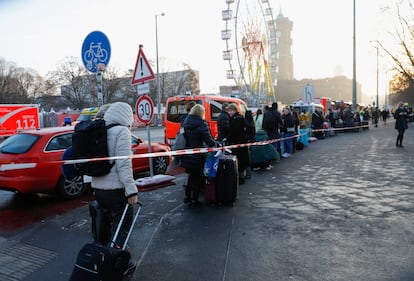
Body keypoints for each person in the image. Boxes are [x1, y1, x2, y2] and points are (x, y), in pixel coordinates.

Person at [91, 102, 138, 271]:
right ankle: (119, 265)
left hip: (98, 188)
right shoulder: (122, 131)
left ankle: (103, 261)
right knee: (121, 228)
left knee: (104, 228)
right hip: (116, 191)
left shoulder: (102, 130)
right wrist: (131, 190)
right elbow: (123, 164)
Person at [179, 104, 216, 207]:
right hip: (198, 155)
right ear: (201, 113)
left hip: (187, 154)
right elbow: (209, 140)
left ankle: (187, 197)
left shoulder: (185, 122)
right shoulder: (202, 124)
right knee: (198, 178)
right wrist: (215, 144)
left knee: (190, 176)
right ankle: (195, 199)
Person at [227, 103, 250, 184]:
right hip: (240, 143)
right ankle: (242, 177)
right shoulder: (240, 117)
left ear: (235, 110)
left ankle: (240, 178)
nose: (229, 112)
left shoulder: (235, 119)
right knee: (242, 161)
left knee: (239, 161)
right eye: (229, 110)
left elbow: (234, 132)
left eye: (231, 110)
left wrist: (228, 139)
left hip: (237, 143)